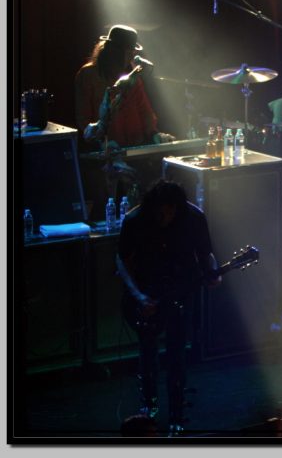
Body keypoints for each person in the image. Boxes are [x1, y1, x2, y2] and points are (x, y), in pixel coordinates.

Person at [116, 180, 220, 436]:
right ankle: (148, 408)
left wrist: (214, 274)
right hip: (147, 295)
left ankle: (176, 415)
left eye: (172, 211)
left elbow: (206, 253)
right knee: (148, 352)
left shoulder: (193, 217)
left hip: (180, 293)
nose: (167, 217)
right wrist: (139, 296)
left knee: (177, 354)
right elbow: (122, 260)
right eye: (162, 212)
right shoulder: (136, 219)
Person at [75, 24, 173, 150]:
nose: (131, 57)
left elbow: (145, 112)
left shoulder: (132, 76)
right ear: (113, 51)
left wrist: (155, 134)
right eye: (128, 52)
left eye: (133, 52)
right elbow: (83, 118)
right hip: (106, 150)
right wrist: (101, 143)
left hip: (134, 147)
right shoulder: (88, 75)